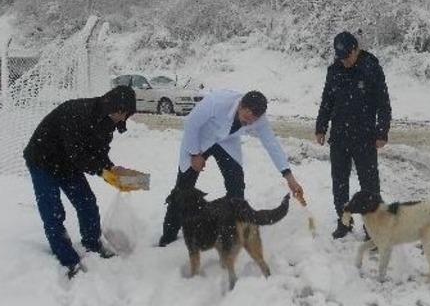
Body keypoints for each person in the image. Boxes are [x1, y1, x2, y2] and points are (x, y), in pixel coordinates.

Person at [158, 89, 305, 247]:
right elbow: (191, 124)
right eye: (246, 118)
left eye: (251, 122)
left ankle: (230, 231)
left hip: (227, 143)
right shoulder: (216, 102)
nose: (248, 124)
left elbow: (272, 144)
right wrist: (194, 154)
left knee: (236, 185)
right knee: (183, 190)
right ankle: (168, 236)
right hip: (199, 140)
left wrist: (289, 177)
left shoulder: (258, 119)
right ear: (241, 105)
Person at [23, 85, 143, 278]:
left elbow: (98, 151)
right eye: (126, 114)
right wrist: (104, 172)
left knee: (86, 202)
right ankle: (68, 260)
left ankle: (92, 244)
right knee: (53, 211)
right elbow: (79, 154)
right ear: (118, 109)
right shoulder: (79, 114)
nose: (126, 118)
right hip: (42, 160)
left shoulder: (108, 121)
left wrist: (110, 168)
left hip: (67, 163)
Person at [315, 31, 392, 239]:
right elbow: (327, 101)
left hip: (365, 137)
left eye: (347, 57)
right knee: (339, 183)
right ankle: (344, 222)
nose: (345, 61)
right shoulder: (334, 71)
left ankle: (372, 227)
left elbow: (383, 104)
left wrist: (382, 131)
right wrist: (321, 127)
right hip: (339, 136)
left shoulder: (371, 69)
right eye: (341, 58)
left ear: (356, 50)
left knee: (370, 185)